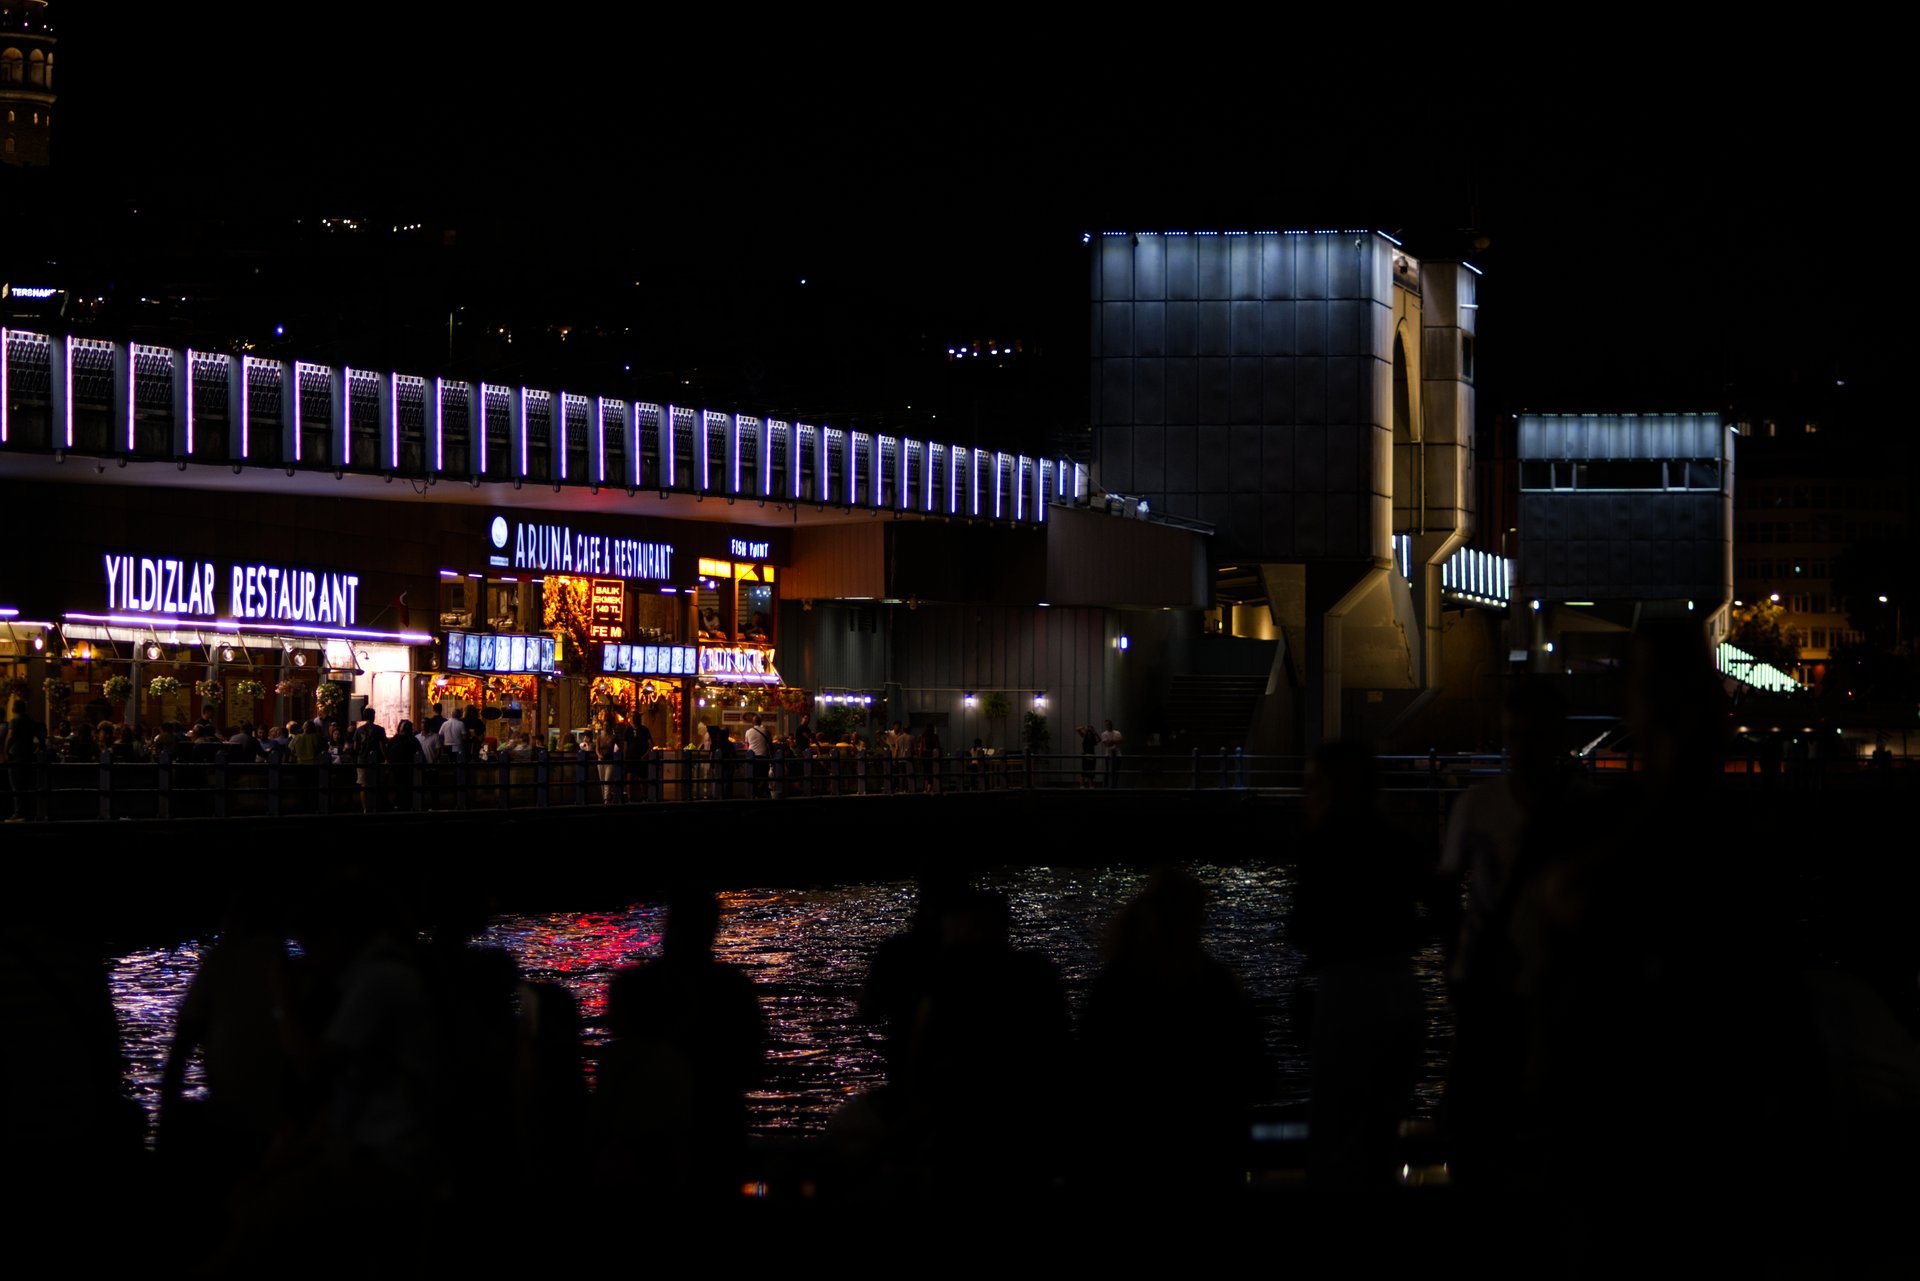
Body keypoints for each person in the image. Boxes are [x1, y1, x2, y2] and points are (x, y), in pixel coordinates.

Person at [3, 698, 39, 821]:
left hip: (16, 757)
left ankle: (18, 812)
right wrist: (35, 750)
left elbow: (10, 736)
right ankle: (29, 812)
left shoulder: (14, 721)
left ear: (15, 708)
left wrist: (6, 751)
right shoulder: (31, 721)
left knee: (16, 787)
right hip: (28, 757)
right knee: (27, 786)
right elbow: (40, 738)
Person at [352, 708, 388, 813]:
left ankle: (365, 808)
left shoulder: (359, 730)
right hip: (376, 759)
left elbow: (355, 747)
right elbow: (382, 745)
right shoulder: (379, 729)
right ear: (373, 716)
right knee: (376, 783)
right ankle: (375, 806)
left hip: (362, 759)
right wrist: (386, 758)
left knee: (363, 784)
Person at [743, 715, 772, 798]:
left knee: (754, 776)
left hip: (753, 757)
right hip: (763, 756)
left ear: (752, 722)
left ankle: (754, 794)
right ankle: (763, 794)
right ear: (760, 722)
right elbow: (770, 745)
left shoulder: (748, 732)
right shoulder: (766, 731)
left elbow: (747, 745)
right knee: (763, 776)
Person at [1099, 719, 1123, 789]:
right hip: (1108, 755)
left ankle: (1114, 785)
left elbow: (1121, 740)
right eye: (1106, 724)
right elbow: (1107, 744)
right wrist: (1115, 741)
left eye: (1109, 724)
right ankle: (1107, 786)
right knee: (1108, 771)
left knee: (1116, 771)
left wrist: (1111, 741)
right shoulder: (1104, 734)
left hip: (1118, 754)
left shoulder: (1117, 732)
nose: (1108, 726)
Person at [1077, 724, 1099, 788]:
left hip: (1092, 755)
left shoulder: (1093, 738)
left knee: (1091, 771)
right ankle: (1082, 785)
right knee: (1084, 771)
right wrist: (1083, 727)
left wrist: (1095, 734)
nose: (1089, 732)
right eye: (1089, 731)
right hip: (1086, 754)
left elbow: (1099, 740)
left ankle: (1090, 785)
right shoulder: (1085, 736)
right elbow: (1077, 729)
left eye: (1091, 730)